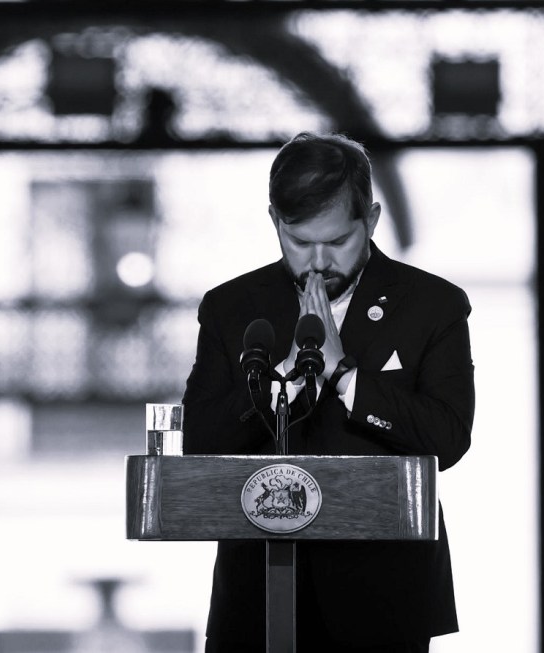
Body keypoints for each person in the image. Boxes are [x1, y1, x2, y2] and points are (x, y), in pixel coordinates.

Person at [181, 132, 476, 653]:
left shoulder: (434, 305)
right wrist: (288, 376)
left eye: (338, 242)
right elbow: (199, 443)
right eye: (299, 241)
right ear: (274, 221)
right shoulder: (230, 307)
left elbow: (448, 438)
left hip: (383, 597)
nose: (317, 262)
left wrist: (343, 376)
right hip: (256, 598)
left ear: (373, 220)